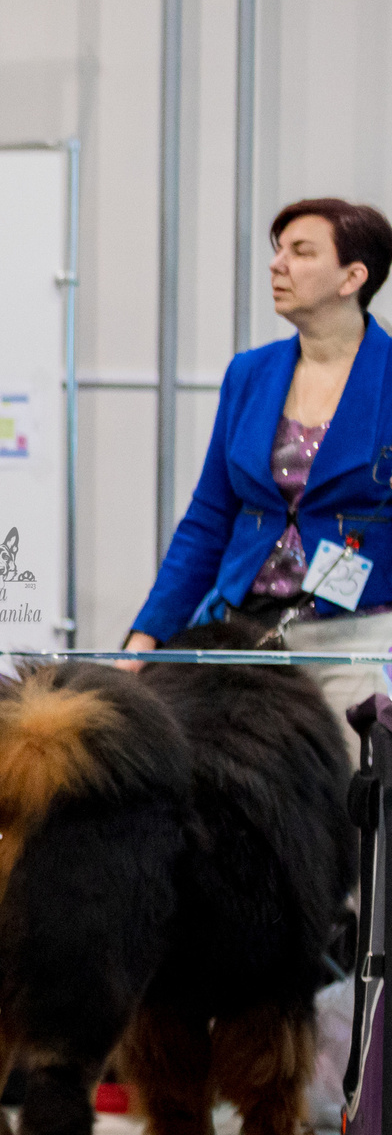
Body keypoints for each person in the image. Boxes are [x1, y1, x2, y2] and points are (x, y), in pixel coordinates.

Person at [125, 198, 392, 761]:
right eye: (278, 251)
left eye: (301, 252)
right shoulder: (249, 373)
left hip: (355, 639)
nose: (278, 265)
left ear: (353, 276)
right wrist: (146, 636)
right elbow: (208, 521)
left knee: (351, 807)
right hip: (241, 634)